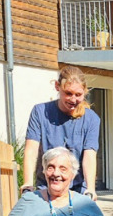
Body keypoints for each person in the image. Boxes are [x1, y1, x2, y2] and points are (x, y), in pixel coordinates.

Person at [23, 66, 100, 199]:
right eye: (68, 93)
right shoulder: (40, 112)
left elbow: (89, 155)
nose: (73, 99)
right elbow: (31, 150)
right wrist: (28, 184)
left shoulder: (91, 118)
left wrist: (91, 188)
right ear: (57, 86)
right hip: (47, 187)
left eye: (78, 95)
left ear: (84, 92)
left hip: (77, 190)